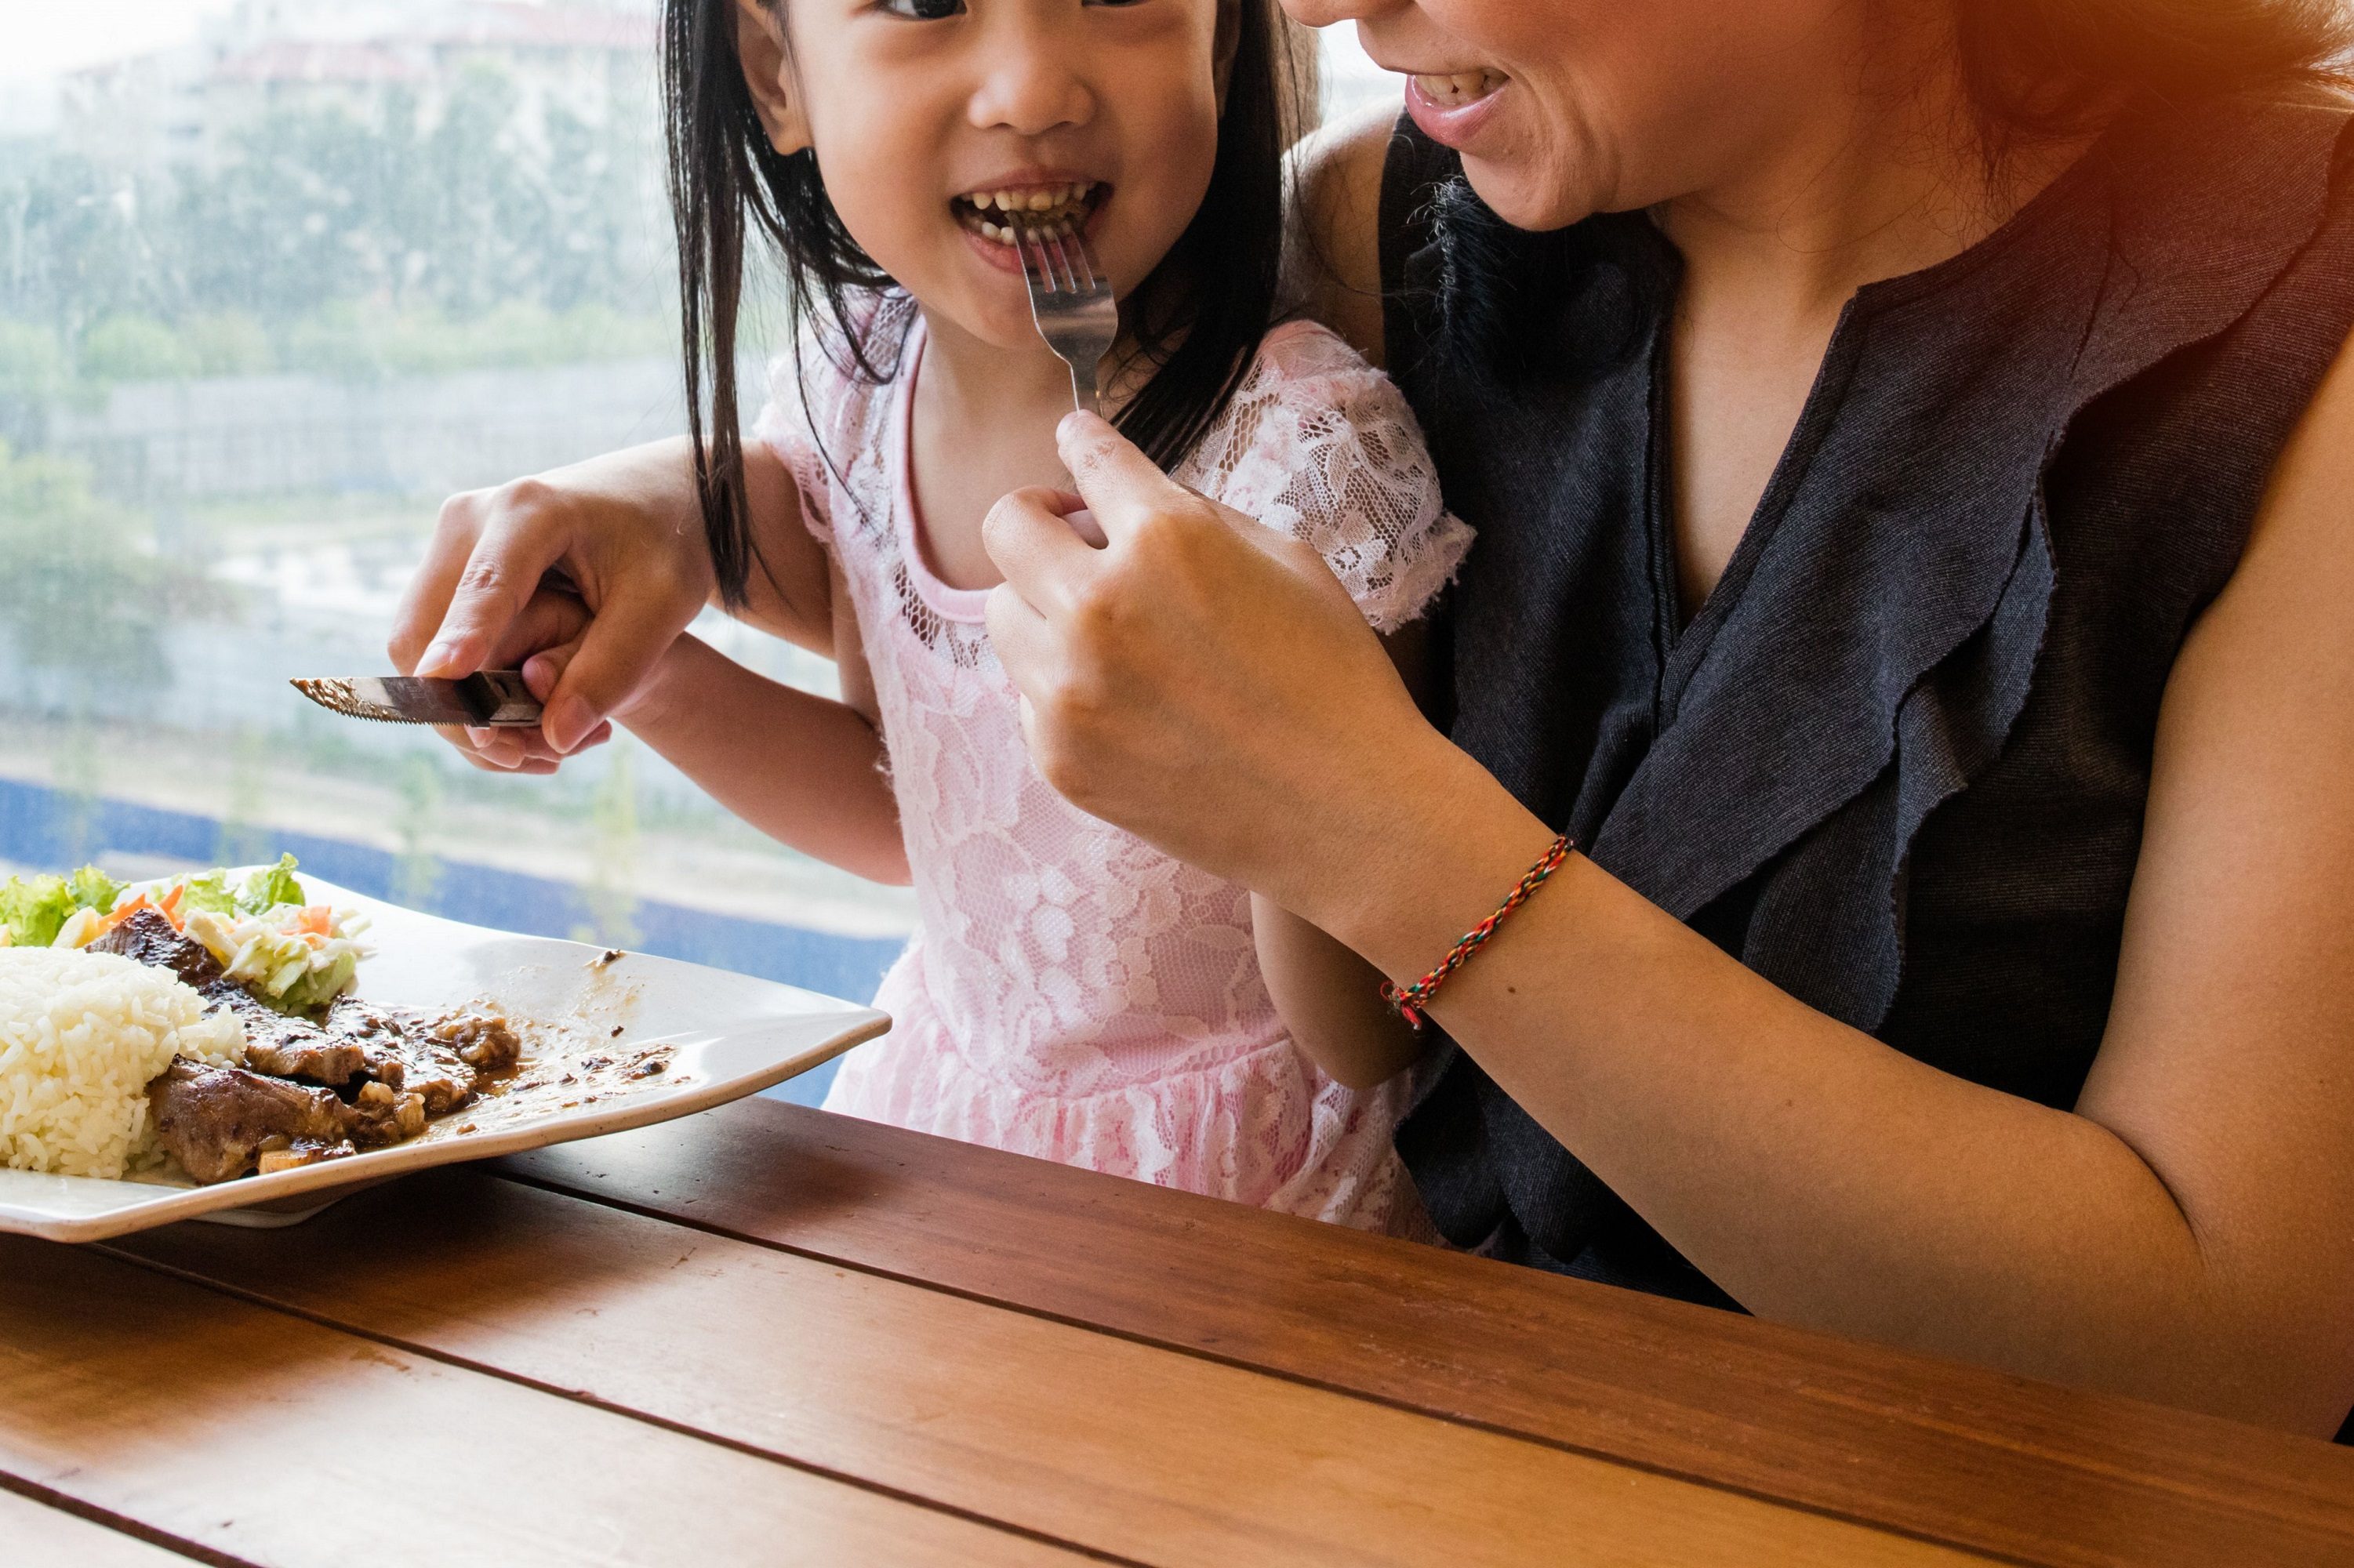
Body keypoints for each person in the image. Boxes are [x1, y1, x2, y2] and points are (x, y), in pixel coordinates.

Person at [395, 0, 2354, 1436]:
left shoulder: (2299, 351)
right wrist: (672, 508)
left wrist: (1383, 838)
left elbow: (2230, 1353)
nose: (1324, 8)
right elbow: (976, 450)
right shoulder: (1399, 223)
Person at [405, 0, 1471, 1231]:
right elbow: (908, 822)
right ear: (774, 73)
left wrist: (1278, 766)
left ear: (1219, 49)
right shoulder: (858, 389)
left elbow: (1365, 1041)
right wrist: (640, 677)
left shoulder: (1302, 453)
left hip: (1243, 1195)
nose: (1029, 90)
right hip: (949, 1125)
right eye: (923, 4)